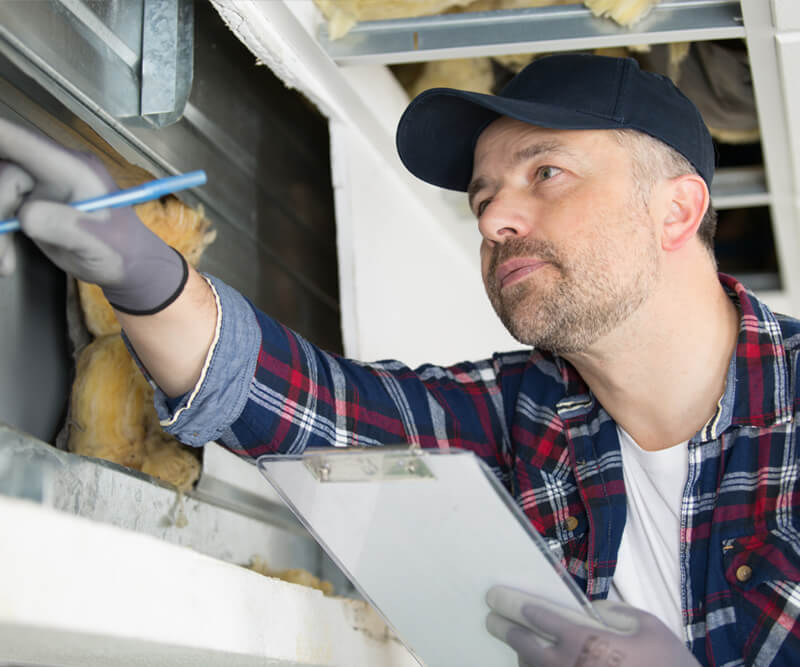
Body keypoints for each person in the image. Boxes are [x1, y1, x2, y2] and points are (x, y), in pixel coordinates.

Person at [1, 53, 798, 666]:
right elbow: (302, 404)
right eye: (483, 198)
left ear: (677, 209)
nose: (495, 221)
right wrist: (138, 268)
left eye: (545, 173)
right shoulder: (522, 416)